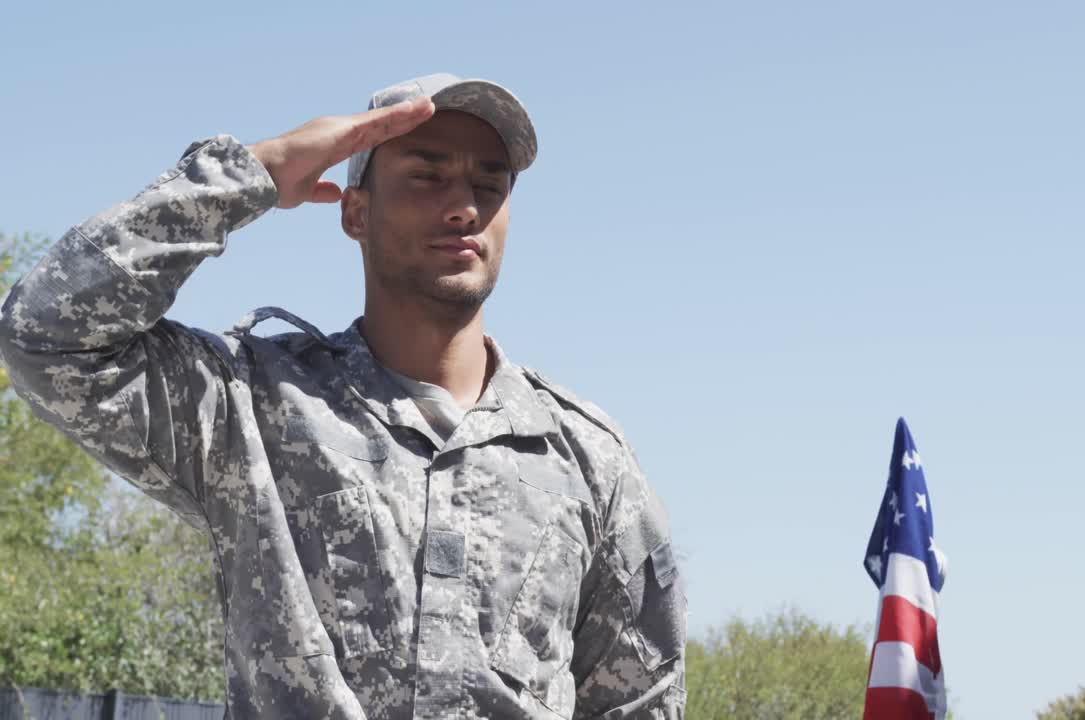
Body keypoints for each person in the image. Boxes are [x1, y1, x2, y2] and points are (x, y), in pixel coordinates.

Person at [0, 73, 686, 719]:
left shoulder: (585, 459)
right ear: (356, 212)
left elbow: (643, 698)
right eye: (427, 174)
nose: (464, 206)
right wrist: (252, 175)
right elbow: (46, 335)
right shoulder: (254, 406)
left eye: (490, 182)